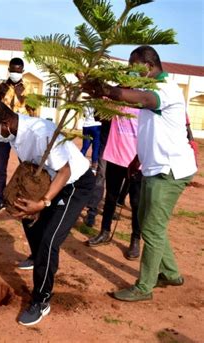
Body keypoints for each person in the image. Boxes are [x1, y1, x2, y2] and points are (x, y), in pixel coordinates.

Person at [82, 45, 197, 302]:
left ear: (147, 66)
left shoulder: (164, 91)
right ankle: (170, 272)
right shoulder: (153, 90)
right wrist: (137, 158)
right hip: (154, 166)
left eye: (133, 68)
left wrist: (107, 90)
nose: (130, 74)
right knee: (149, 223)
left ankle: (144, 287)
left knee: (152, 228)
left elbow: (142, 100)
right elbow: (152, 130)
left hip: (169, 171)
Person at [0, 101, 94, 326]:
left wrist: (43, 203)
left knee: (49, 241)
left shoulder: (41, 132)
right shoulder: (14, 135)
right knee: (27, 216)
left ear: (5, 123)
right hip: (51, 181)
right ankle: (36, 257)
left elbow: (65, 171)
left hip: (74, 183)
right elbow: (30, 167)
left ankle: (41, 300)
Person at [86, 107, 142, 260]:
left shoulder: (144, 97)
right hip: (115, 157)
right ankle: (104, 232)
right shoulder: (116, 98)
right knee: (110, 198)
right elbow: (98, 115)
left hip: (137, 161)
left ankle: (135, 240)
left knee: (136, 203)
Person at [0, 57, 36, 214]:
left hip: (22, 134)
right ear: (9, 69)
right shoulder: (1, 87)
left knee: (26, 167)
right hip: (3, 133)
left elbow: (33, 112)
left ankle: (23, 199)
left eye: (18, 70)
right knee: (1, 168)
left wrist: (33, 134)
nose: (15, 73)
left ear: (23, 71)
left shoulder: (29, 88)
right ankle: (0, 200)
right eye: (12, 70)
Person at [80, 105, 101, 172]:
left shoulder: (84, 104)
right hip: (96, 126)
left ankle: (78, 163)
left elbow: (84, 115)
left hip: (86, 126)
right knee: (95, 148)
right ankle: (93, 167)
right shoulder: (98, 103)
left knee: (84, 147)